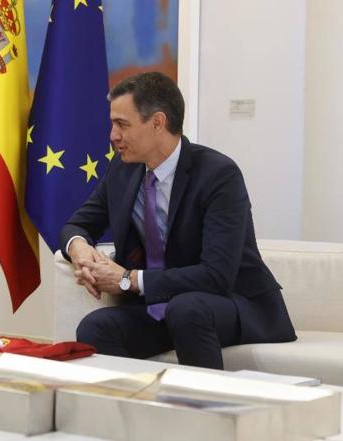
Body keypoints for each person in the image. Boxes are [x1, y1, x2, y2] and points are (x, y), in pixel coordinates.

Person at [61, 72, 296, 369]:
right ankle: (135, 409)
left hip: (234, 302)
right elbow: (76, 225)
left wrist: (128, 280)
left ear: (157, 123)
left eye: (122, 124)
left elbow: (217, 275)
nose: (113, 136)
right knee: (95, 327)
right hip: (166, 306)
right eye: (112, 124)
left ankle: (205, 412)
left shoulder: (218, 175)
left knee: (187, 309)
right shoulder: (122, 172)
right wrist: (79, 248)